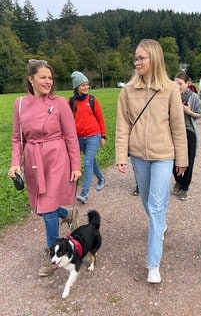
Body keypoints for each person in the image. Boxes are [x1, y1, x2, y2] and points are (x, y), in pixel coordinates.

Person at [115, 39, 188, 283]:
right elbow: (123, 124)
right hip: (138, 156)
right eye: (135, 58)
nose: (136, 62)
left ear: (154, 59)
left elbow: (178, 127)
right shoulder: (127, 90)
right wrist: (121, 155)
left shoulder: (169, 89)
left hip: (163, 156)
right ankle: (161, 223)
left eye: (141, 58)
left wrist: (182, 159)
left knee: (156, 207)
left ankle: (153, 265)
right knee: (147, 201)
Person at [8, 59, 82, 277]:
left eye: (50, 78)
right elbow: (16, 138)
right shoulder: (20, 104)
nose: (48, 81)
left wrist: (75, 164)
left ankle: (53, 255)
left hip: (56, 158)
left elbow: (71, 136)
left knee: (47, 208)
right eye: (43, 77)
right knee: (41, 207)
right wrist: (15, 162)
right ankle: (67, 214)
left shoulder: (59, 103)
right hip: (33, 159)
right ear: (31, 79)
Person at [70, 71, 107, 204]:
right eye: (83, 85)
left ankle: (84, 194)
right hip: (79, 138)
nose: (86, 87)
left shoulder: (92, 100)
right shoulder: (72, 101)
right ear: (77, 87)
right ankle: (101, 178)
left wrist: (103, 136)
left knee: (87, 162)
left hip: (93, 136)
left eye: (87, 85)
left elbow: (100, 118)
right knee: (91, 161)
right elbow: (69, 121)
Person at [173, 71, 201, 201]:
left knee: (189, 162)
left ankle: (185, 187)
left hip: (188, 131)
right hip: (173, 132)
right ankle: (178, 180)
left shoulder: (193, 97)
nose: (177, 85)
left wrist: (188, 111)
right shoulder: (171, 96)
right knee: (173, 160)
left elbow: (199, 114)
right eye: (175, 83)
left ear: (187, 84)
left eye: (180, 83)